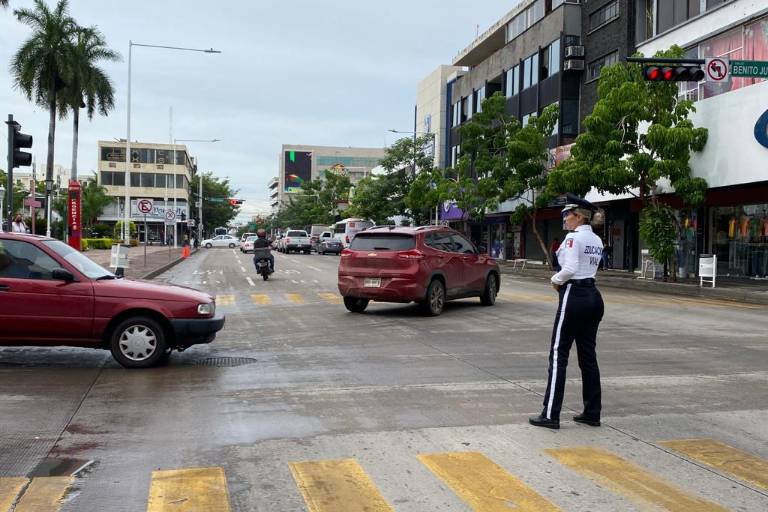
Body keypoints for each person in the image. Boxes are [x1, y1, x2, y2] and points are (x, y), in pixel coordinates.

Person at [529, 193, 605, 430]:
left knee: (558, 355)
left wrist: (555, 279)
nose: (564, 219)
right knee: (588, 357)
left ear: (579, 217)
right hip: (593, 296)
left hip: (574, 295)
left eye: (567, 214)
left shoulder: (573, 239)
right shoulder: (596, 240)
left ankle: (551, 414)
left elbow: (570, 268)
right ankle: (592, 412)